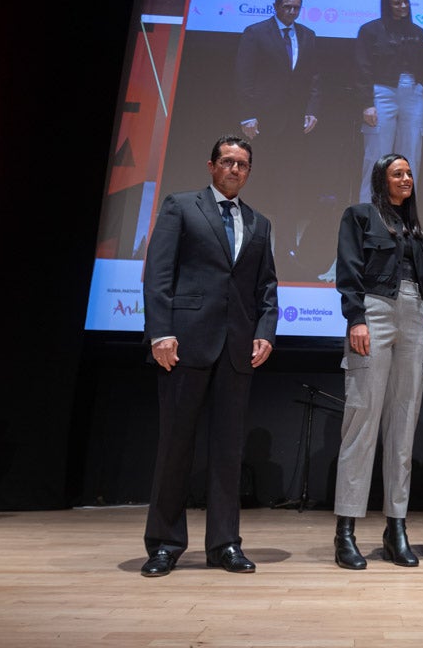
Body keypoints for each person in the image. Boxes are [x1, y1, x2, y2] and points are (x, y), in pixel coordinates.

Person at [139, 135, 278, 578]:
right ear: (211, 165)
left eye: (242, 164)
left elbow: (267, 289)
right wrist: (160, 332)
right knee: (175, 447)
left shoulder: (260, 222)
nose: (234, 169)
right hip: (184, 344)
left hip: (237, 350)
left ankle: (224, 543)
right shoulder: (181, 206)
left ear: (249, 171)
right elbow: (158, 274)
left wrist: (266, 333)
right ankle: (164, 544)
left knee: (227, 452)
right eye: (227, 162)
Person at [332, 153, 423, 569]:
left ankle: (396, 527)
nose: (406, 178)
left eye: (409, 173)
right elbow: (349, 270)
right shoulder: (359, 215)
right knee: (362, 420)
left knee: (404, 425)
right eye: (397, 173)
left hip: (414, 314)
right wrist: (356, 318)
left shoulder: (417, 229)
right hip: (374, 310)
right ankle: (346, 531)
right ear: (381, 179)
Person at [234, 0, 321, 274]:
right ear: (276, 6)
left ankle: (284, 252)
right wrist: (247, 115)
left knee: (289, 187)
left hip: (295, 125)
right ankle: (249, 249)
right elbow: (244, 75)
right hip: (263, 124)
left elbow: (314, 78)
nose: (291, 12)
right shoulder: (256, 32)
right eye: (287, 7)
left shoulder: (307, 35)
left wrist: (312, 109)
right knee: (258, 184)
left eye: (296, 7)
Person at [355, 0, 423, 204]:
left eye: (405, 2)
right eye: (397, 3)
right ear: (387, 4)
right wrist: (367, 103)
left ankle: (407, 211)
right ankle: (368, 210)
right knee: (377, 154)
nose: (403, 6)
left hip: (412, 91)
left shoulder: (417, 31)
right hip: (382, 91)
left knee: (411, 155)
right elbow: (362, 67)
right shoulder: (370, 30)